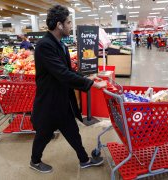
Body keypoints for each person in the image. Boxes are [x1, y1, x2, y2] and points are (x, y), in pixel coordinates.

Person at [30, 5, 107, 173]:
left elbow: (69, 71)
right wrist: (92, 85)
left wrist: (87, 78)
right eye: (69, 22)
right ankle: (35, 161)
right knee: (43, 135)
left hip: (62, 100)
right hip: (49, 102)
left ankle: (84, 159)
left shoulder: (60, 45)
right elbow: (62, 74)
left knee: (72, 131)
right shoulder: (44, 45)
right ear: (59, 25)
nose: (71, 26)